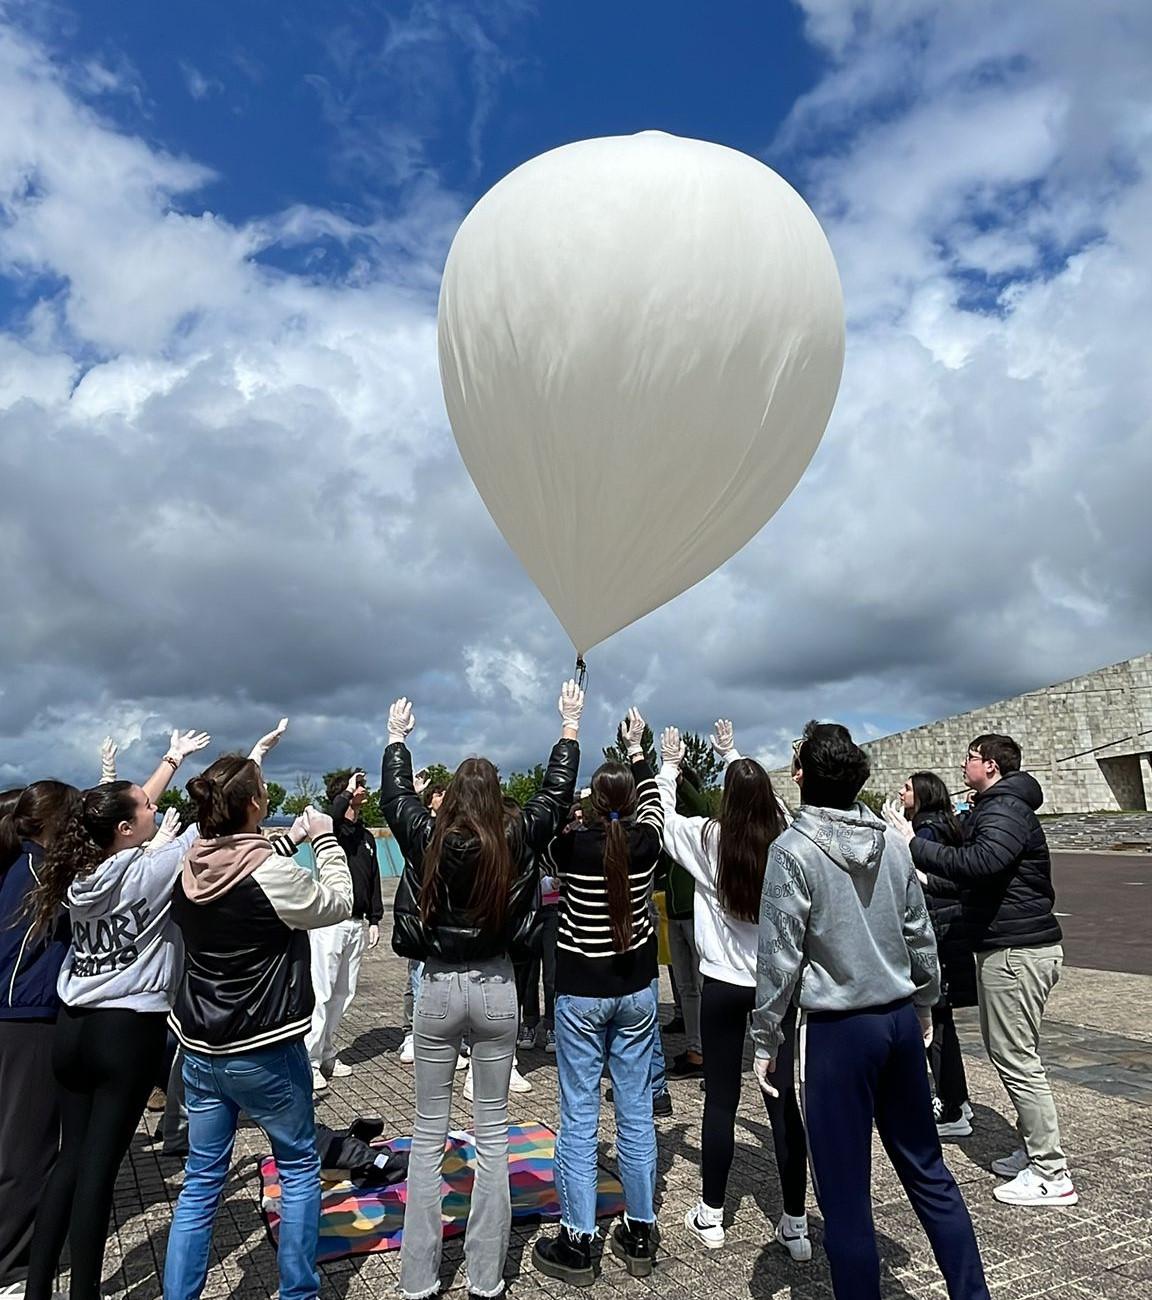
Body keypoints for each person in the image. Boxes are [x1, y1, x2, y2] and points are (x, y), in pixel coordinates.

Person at [753, 721, 989, 1300]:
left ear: (804, 775)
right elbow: (919, 931)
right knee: (928, 1171)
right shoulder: (891, 840)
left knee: (845, 1196)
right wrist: (928, 1002)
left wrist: (766, 1037)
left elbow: (778, 956)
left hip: (836, 1033)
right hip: (897, 1023)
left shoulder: (793, 851)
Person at [384, 683, 581, 1300]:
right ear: (496, 797)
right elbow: (554, 797)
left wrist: (396, 741)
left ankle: (418, 1279)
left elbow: (395, 799)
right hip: (497, 986)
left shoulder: (428, 836)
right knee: (493, 1135)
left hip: (439, 985)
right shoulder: (515, 836)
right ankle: (487, 1278)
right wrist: (569, 725)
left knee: (426, 1134)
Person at [21, 729, 213, 1300]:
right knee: (100, 1174)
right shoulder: (149, 870)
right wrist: (250, 762)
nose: (158, 808)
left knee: (68, 1162)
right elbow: (220, 820)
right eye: (150, 807)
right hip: (125, 1030)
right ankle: (83, 1293)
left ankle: (36, 1288)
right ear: (125, 830)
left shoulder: (77, 872)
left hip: (72, 1026)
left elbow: (117, 810)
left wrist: (171, 760)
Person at [163, 747, 353, 1300]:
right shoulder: (269, 872)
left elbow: (244, 858)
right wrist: (324, 838)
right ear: (252, 805)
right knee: (296, 1168)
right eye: (264, 790)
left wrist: (286, 840)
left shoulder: (188, 862)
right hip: (264, 1047)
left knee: (201, 1181)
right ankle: (298, 1291)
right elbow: (336, 902)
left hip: (199, 1045)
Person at [887, 734, 1075, 1207]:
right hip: (1012, 946)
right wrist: (926, 872)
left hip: (1016, 951)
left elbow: (983, 861)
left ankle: (1050, 1171)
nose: (964, 765)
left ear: (989, 765)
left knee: (1016, 1059)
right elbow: (978, 876)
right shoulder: (999, 806)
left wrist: (913, 845)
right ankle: (1036, 1150)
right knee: (1014, 1053)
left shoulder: (1004, 808)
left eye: (970, 758)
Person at [657, 722, 810, 1259]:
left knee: (721, 1099)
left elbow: (663, 819)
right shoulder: (789, 839)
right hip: (776, 987)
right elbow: (767, 803)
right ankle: (796, 1224)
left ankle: (713, 1215)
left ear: (728, 799)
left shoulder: (710, 839)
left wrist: (668, 765)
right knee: (782, 1100)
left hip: (721, 984)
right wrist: (732, 753)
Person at [532, 708, 665, 1286]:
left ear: (589, 801)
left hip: (581, 994)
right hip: (636, 991)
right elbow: (656, 801)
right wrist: (637, 750)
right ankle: (639, 1230)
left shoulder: (570, 851)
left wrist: (569, 732)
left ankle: (579, 1240)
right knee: (635, 1110)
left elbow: (543, 820)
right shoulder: (646, 844)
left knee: (580, 1114)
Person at [0, 782, 73, 1299]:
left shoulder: (20, 864)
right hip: (27, 1017)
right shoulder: (42, 873)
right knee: (25, 1149)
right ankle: (12, 1269)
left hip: (16, 1013)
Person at [896, 772, 977, 1138]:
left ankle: (952, 1105)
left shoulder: (926, 831)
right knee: (941, 1022)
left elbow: (939, 880)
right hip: (949, 932)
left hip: (938, 935)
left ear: (924, 795)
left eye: (908, 788)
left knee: (936, 1022)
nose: (902, 792)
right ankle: (956, 1098)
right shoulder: (946, 825)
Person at [306, 768, 384, 1092]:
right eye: (357, 790)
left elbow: (374, 877)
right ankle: (308, 1060)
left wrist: (375, 919)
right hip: (329, 922)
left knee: (343, 993)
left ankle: (326, 1052)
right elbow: (331, 816)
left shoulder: (365, 837)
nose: (363, 793)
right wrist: (346, 793)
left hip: (355, 923)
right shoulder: (332, 829)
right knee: (321, 992)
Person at [658, 763, 707, 1078]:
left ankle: (707, 1048)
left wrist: (678, 776)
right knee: (686, 987)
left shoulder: (698, 823)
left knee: (700, 987)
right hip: (674, 914)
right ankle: (695, 1050)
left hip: (695, 914)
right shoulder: (671, 827)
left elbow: (702, 804)